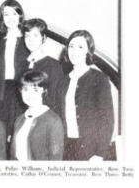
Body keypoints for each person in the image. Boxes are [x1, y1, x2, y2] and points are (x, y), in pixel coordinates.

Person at [56, 30, 115, 161]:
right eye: (71, 46)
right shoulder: (62, 81)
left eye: (80, 47)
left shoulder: (99, 78)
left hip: (91, 150)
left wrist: (100, 153)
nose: (74, 51)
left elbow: (107, 118)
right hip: (66, 148)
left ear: (88, 51)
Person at [0, 0, 29, 144]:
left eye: (14, 13)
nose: (10, 18)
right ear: (2, 18)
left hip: (21, 92)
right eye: (6, 14)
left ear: (20, 16)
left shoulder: (27, 41)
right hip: (2, 94)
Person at [10, 70, 64, 160]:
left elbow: (55, 161)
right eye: (25, 89)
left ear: (44, 91)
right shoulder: (19, 120)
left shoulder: (53, 121)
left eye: (35, 90)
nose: (30, 94)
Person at [20, 18, 63, 111]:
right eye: (27, 36)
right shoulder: (21, 64)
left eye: (35, 35)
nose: (30, 40)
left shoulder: (53, 65)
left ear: (43, 38)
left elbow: (55, 99)